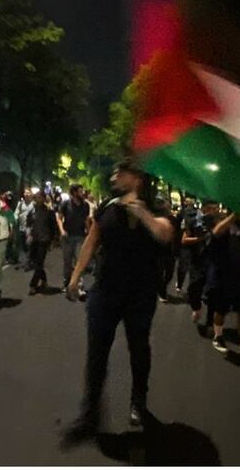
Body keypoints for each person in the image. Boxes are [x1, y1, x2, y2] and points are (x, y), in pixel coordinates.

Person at [62, 161, 174, 444]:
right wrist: (75, 276)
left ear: (135, 179)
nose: (113, 176)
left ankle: (138, 402)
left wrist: (142, 212)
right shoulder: (109, 206)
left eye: (119, 173)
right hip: (105, 291)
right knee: (97, 352)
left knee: (139, 348)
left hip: (140, 294)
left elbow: (165, 233)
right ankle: (90, 413)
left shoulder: (156, 206)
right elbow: (92, 239)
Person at [206, 213, 240, 363]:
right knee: (221, 310)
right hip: (223, 276)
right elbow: (215, 233)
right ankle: (218, 336)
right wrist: (234, 216)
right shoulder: (220, 221)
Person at [182, 200, 220, 331]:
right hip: (197, 261)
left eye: (215, 208)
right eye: (210, 208)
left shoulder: (217, 223)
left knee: (213, 292)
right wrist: (199, 239)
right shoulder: (193, 222)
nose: (213, 210)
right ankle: (196, 307)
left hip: (213, 261)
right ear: (203, 208)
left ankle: (210, 322)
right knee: (194, 288)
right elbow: (184, 239)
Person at [57, 184, 91, 298]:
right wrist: (62, 230)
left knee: (79, 261)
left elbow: (87, 220)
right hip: (67, 236)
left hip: (80, 235)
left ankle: (79, 286)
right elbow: (59, 217)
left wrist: (89, 234)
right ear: (74, 193)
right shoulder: (65, 204)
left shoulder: (85, 205)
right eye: (80, 191)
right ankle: (67, 283)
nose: (82, 193)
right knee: (67, 261)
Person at [26, 191, 56, 295]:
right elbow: (28, 224)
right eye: (36, 198)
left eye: (40, 198)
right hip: (34, 239)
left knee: (39, 262)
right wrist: (28, 234)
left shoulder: (49, 211)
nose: (37, 200)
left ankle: (33, 285)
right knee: (36, 262)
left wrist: (52, 241)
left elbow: (53, 227)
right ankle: (44, 280)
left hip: (44, 239)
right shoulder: (32, 210)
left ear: (44, 199)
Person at [154, 197, 177, 303]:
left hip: (169, 250)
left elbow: (176, 233)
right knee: (159, 273)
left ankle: (161, 288)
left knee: (170, 273)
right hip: (157, 251)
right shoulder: (154, 219)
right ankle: (161, 292)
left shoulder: (172, 219)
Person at [175, 196, 199, 293]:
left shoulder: (197, 213)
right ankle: (180, 284)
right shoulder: (182, 212)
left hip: (193, 243)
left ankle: (191, 289)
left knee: (192, 268)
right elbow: (177, 225)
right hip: (185, 242)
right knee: (183, 266)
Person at [15, 189, 36, 270]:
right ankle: (27, 261)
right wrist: (14, 219)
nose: (27, 194)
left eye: (28, 193)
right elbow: (16, 213)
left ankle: (28, 263)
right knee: (23, 246)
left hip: (30, 228)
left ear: (31, 194)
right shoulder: (20, 204)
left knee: (29, 245)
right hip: (21, 228)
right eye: (25, 193)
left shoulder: (34, 204)